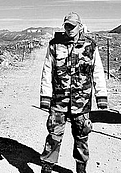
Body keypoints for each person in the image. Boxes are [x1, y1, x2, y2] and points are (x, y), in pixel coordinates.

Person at [39, 12, 108, 173]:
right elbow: (47, 71)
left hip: (81, 101)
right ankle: (47, 167)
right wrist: (45, 96)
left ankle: (81, 169)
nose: (69, 29)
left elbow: (97, 71)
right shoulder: (55, 45)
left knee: (81, 136)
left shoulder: (91, 46)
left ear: (80, 26)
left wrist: (101, 95)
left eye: (73, 26)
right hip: (58, 101)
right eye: (67, 26)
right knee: (54, 136)